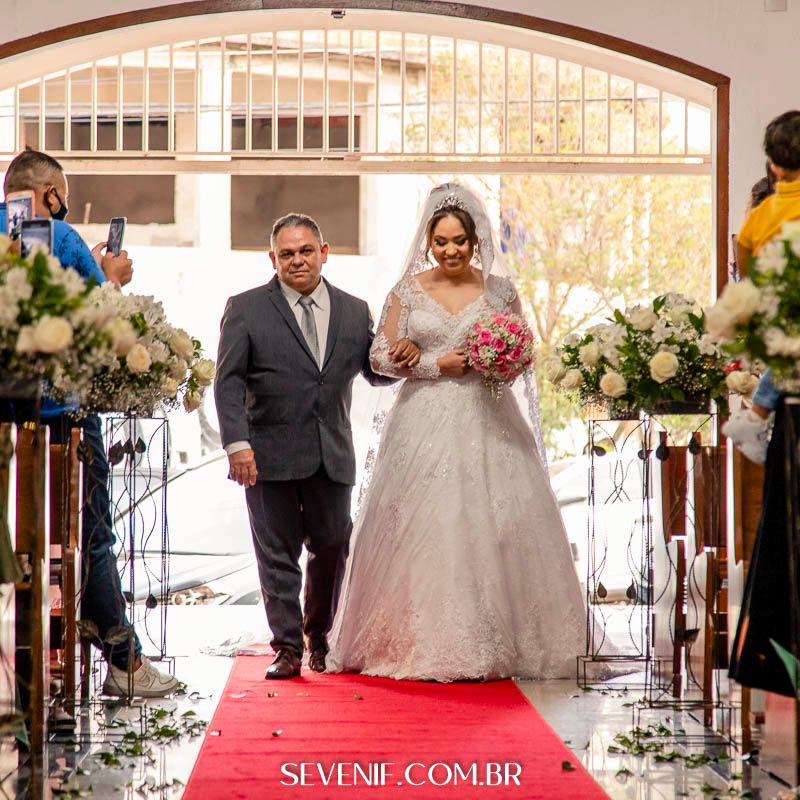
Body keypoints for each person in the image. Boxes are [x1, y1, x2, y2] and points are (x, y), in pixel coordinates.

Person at [326, 183, 587, 681]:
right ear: (428, 242)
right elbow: (379, 357)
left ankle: (503, 640)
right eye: (441, 242)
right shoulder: (405, 291)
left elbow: (520, 357)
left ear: (476, 242)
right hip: (422, 421)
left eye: (459, 241)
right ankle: (418, 638)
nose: (450, 251)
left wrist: (497, 361)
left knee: (496, 523)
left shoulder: (500, 292)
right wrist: (426, 362)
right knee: (429, 524)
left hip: (489, 418)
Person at [0, 149, 178, 698]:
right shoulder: (59, 234)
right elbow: (98, 320)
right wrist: (111, 276)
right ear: (49, 190)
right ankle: (123, 661)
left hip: (5, 428)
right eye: (63, 192)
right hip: (62, 420)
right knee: (91, 535)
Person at [214, 213, 413, 679]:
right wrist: (237, 444)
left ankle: (318, 637)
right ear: (273, 259)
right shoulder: (245, 308)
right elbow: (227, 382)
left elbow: (374, 372)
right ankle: (285, 648)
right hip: (266, 455)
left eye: (306, 251)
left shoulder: (353, 309)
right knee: (277, 555)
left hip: (331, 454)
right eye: (287, 254)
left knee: (332, 547)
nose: (297, 260)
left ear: (324, 252)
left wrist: (403, 358)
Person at [723, 110, 800, 464]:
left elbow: (745, 265)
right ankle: (755, 416)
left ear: (774, 166)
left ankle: (755, 416)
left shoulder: (759, 216)